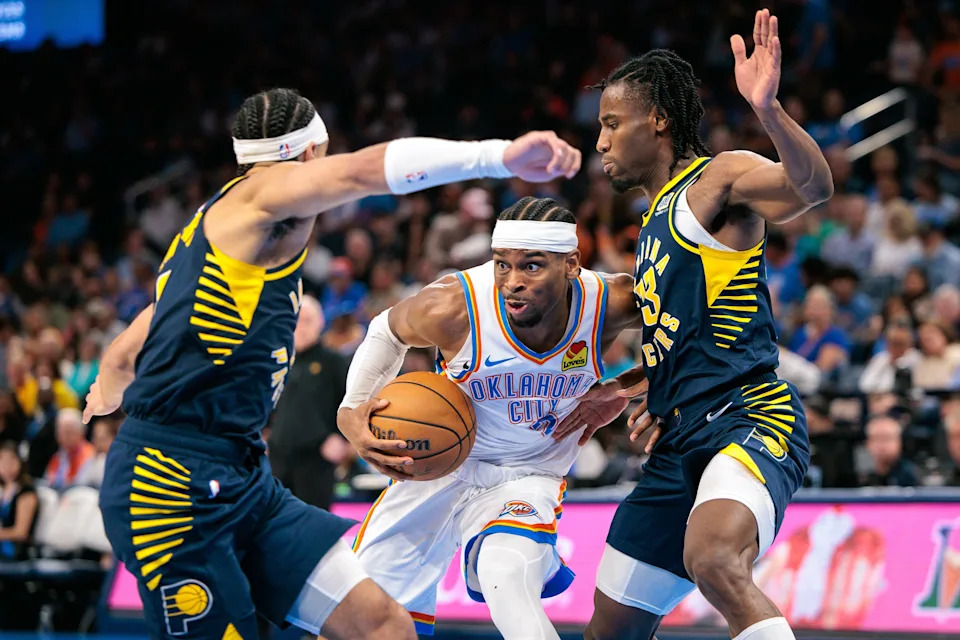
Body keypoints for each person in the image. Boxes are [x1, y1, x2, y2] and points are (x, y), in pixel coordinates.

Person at [81, 87, 581, 640]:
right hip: (170, 484)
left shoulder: (231, 232)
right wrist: (496, 156)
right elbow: (364, 171)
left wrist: (110, 386)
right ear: (312, 150)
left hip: (242, 475)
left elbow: (130, 344)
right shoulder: (263, 197)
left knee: (383, 625)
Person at [557, 9, 833, 640]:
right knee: (610, 631)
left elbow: (813, 187)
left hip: (748, 418)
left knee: (712, 560)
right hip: (679, 443)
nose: (598, 141)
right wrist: (627, 392)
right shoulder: (651, 223)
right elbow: (681, 338)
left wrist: (767, 109)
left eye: (610, 123)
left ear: (657, 120)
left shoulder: (719, 179)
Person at [337, 197, 642, 639]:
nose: (512, 282)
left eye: (532, 266)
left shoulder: (612, 302)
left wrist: (637, 384)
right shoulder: (455, 306)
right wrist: (352, 408)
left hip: (528, 471)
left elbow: (699, 326)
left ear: (571, 265)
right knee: (363, 620)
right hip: (436, 469)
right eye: (502, 265)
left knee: (506, 580)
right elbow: (386, 329)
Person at [268, 295, 351, 510]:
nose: (301, 326)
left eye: (308, 320)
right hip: (278, 460)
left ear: (320, 322)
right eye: (297, 319)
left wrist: (341, 438)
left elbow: (352, 402)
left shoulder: (333, 362)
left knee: (313, 530)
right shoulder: (279, 361)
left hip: (316, 462)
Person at [44, 407, 95, 490]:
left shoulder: (89, 455)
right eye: (61, 432)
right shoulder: (58, 456)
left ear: (81, 432)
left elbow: (80, 484)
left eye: (69, 432)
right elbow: (49, 480)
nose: (64, 437)